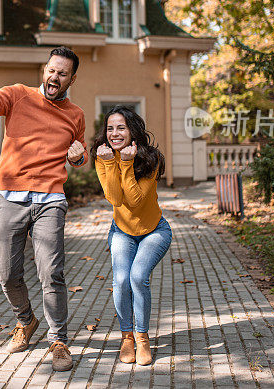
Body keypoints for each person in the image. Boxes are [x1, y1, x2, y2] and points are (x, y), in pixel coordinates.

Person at [0, 40, 86, 372]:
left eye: (62, 74)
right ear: (43, 71)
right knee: (6, 273)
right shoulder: (18, 95)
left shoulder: (75, 115)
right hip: (10, 196)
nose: (55, 77)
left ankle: (59, 340)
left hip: (50, 199)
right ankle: (26, 320)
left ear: (71, 80)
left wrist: (79, 157)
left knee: (52, 273)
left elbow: (79, 152)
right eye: (51, 70)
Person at [92, 105, 171, 366]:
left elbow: (135, 201)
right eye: (110, 128)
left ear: (132, 130)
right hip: (122, 232)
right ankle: (127, 337)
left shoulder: (151, 158)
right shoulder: (103, 156)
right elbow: (114, 198)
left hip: (154, 231)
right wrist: (109, 162)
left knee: (138, 277)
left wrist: (126, 164)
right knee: (122, 279)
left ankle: (143, 337)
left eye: (121, 127)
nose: (114, 133)